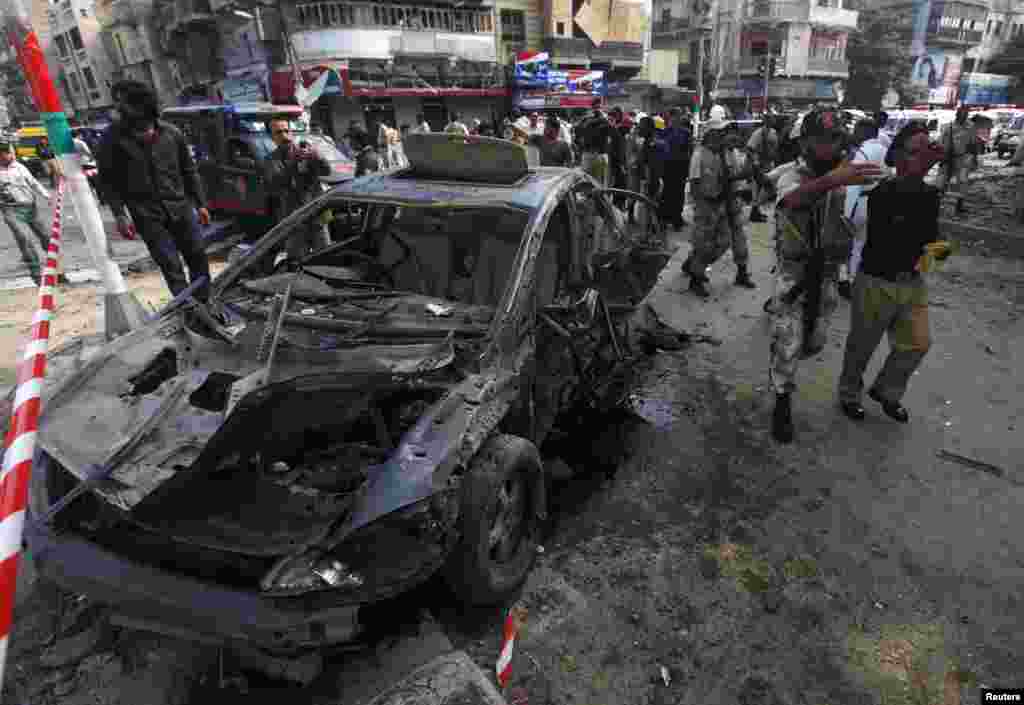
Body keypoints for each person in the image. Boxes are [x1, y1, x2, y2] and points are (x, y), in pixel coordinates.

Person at [767, 108, 883, 443]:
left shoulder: (847, 175)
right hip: (795, 274)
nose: (829, 146)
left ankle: (782, 368)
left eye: (834, 139)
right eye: (821, 139)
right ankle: (781, 400)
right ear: (805, 141)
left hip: (829, 275)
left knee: (813, 343)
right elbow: (791, 201)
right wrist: (834, 181)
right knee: (788, 345)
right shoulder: (792, 174)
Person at [837, 123, 947, 424]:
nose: (921, 158)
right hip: (875, 281)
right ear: (897, 158)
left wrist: (936, 254)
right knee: (861, 347)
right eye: (914, 152)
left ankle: (887, 391)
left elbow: (930, 237)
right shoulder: (884, 191)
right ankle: (848, 393)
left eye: (925, 150)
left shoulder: (929, 193)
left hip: (912, 284)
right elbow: (897, 214)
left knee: (918, 343)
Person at [97, 81, 215, 311]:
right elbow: (108, 182)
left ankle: (204, 302)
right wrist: (120, 215)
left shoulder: (172, 134)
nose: (145, 132)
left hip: (180, 208)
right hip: (145, 213)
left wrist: (201, 204)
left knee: (198, 256)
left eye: (148, 126)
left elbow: (188, 170)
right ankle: (189, 309)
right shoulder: (112, 139)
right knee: (170, 264)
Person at [682, 115, 756, 297]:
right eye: (719, 133)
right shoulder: (700, 155)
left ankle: (695, 267)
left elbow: (732, 176)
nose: (723, 136)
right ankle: (696, 278)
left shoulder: (727, 153)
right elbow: (695, 184)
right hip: (707, 206)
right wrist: (702, 206)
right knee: (704, 244)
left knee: (725, 242)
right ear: (710, 135)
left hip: (724, 203)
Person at [839, 118, 893, 299]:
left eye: (857, 130)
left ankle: (848, 280)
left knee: (850, 243)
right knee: (863, 243)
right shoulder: (886, 150)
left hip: (861, 202)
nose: (854, 133)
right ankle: (857, 282)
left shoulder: (862, 152)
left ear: (864, 132)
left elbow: (854, 184)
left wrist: (846, 212)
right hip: (880, 203)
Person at [265, 117, 331, 263]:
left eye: (286, 131)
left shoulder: (306, 150)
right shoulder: (271, 160)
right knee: (297, 262)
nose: (284, 135)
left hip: (317, 214)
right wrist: (295, 163)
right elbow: (276, 182)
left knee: (326, 258)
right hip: (294, 220)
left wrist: (316, 156)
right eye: (278, 132)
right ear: (272, 137)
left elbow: (327, 170)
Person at [0, 140, 66, 285]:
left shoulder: (20, 166)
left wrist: (46, 195)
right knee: (24, 239)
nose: (12, 155)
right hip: (11, 210)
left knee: (47, 238)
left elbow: (33, 182)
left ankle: (59, 273)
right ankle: (37, 276)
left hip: (31, 207)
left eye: (12, 152)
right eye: (9, 153)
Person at [936, 106, 976, 215]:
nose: (964, 117)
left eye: (966, 115)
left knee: (962, 182)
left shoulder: (971, 127)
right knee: (941, 182)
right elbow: (940, 144)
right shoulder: (947, 127)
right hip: (947, 158)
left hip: (962, 158)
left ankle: (959, 205)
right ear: (957, 115)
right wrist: (942, 157)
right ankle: (935, 204)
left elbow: (972, 144)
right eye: (961, 115)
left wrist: (973, 159)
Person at [659, 107, 692, 229]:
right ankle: (664, 218)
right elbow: (662, 151)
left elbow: (689, 151)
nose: (677, 118)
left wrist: (688, 168)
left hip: (681, 166)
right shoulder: (664, 132)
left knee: (679, 193)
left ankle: (677, 218)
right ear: (670, 117)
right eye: (675, 116)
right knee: (667, 192)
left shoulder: (686, 132)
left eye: (679, 116)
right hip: (668, 166)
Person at [746, 115, 781, 223]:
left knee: (769, 188)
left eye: (772, 119)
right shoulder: (758, 133)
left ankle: (755, 210)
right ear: (765, 121)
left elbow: (775, 148)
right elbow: (750, 149)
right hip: (758, 165)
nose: (771, 121)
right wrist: (755, 163)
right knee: (757, 190)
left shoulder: (773, 132)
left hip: (768, 164)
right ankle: (754, 213)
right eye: (769, 119)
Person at [575, 99, 615, 186]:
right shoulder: (585, 119)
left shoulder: (606, 119)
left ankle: (602, 198)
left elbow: (612, 130)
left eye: (599, 107)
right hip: (588, 154)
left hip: (600, 154)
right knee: (586, 181)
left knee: (601, 184)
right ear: (592, 107)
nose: (597, 109)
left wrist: (601, 119)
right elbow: (579, 131)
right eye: (595, 107)